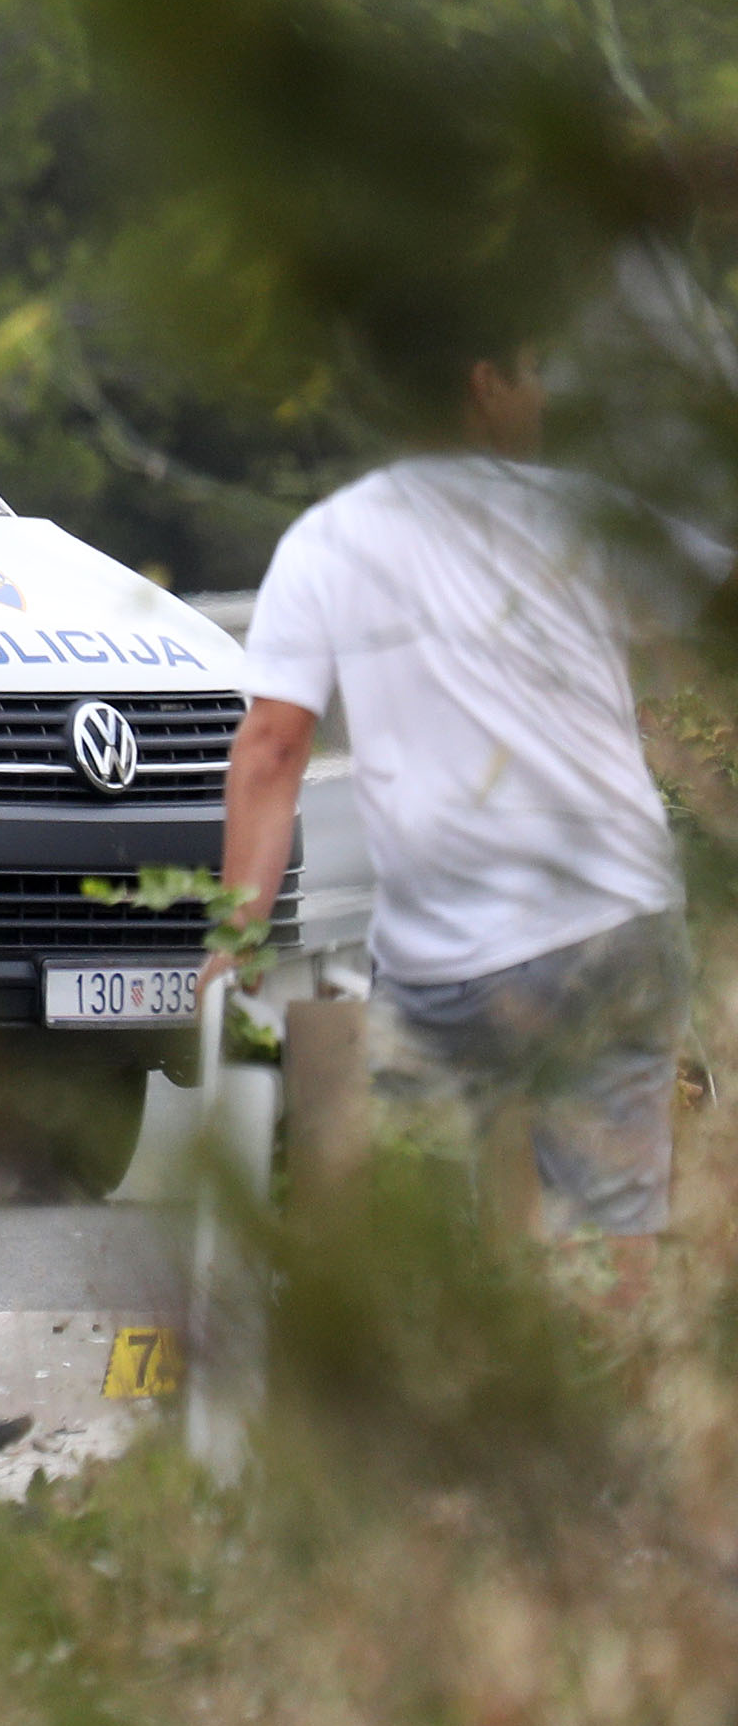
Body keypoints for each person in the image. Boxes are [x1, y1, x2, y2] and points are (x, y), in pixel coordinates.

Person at [217, 343, 711, 1294]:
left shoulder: (329, 542)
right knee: (610, 1227)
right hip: (613, 924)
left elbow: (271, 750)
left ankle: (428, 1384)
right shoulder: (578, 515)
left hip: (448, 964)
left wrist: (237, 928)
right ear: (484, 382)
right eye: (533, 367)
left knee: (393, 1181)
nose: (546, 389)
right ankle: (617, 1412)